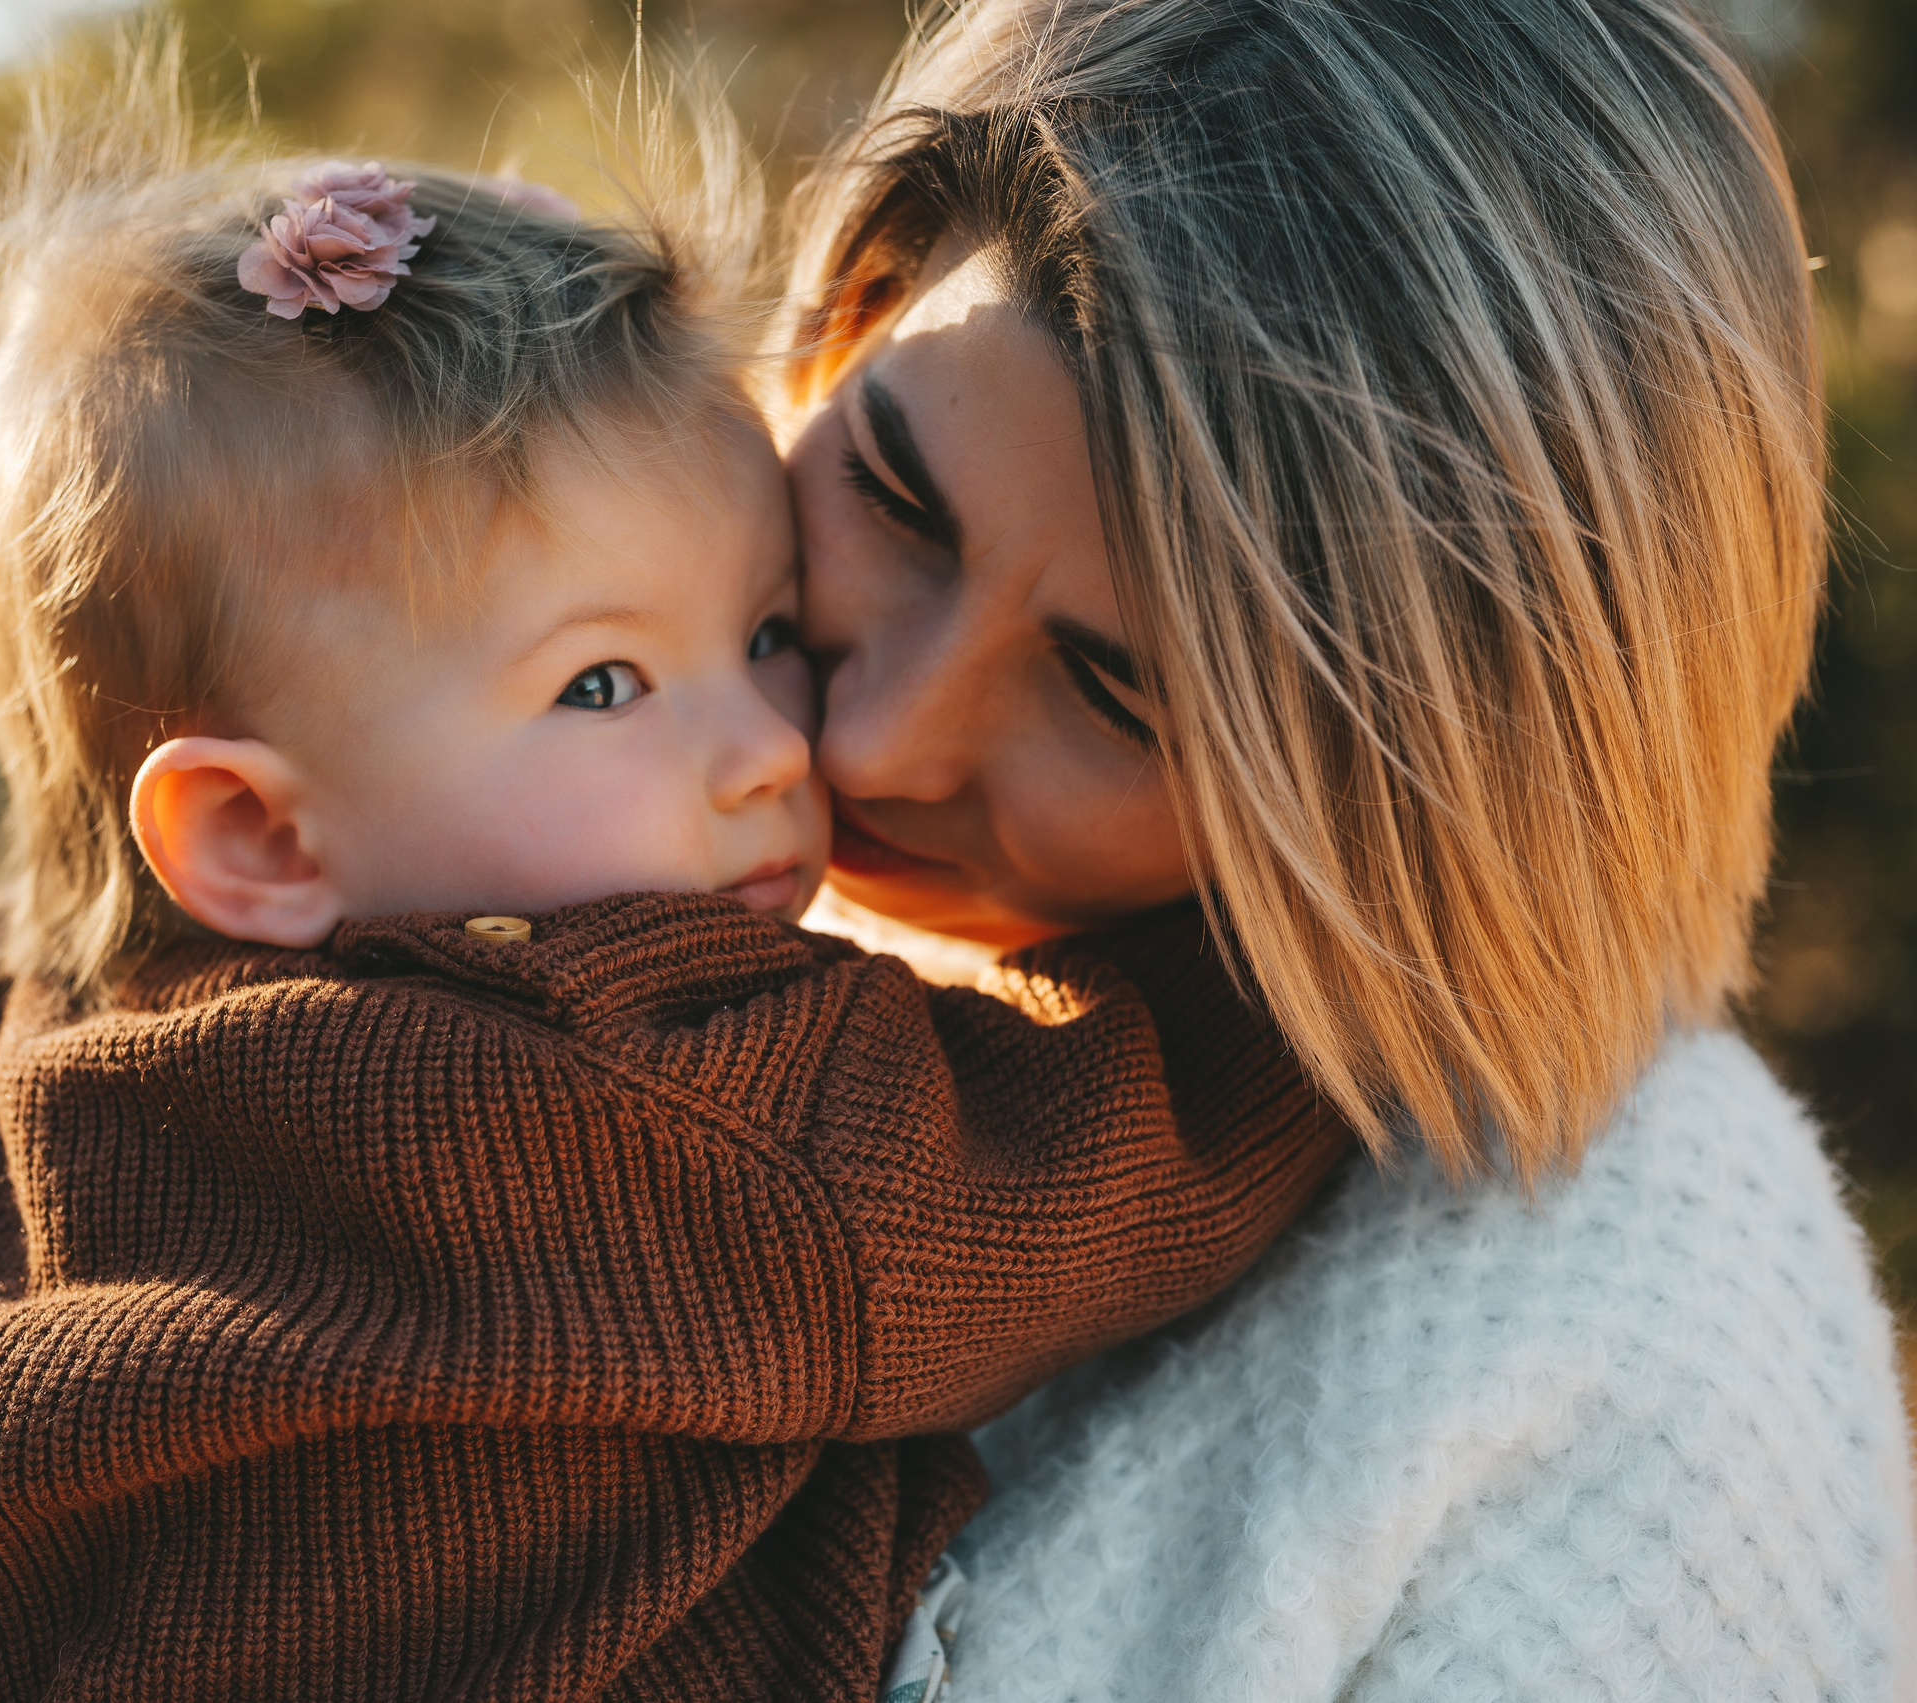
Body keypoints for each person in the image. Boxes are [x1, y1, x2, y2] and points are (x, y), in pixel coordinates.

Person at [0, 51, 1346, 1703]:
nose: (781, 748)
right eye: (603, 684)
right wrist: (1330, 914)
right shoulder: (668, 1087)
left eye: (764, 630)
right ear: (256, 835)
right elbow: (1135, 1145)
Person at [774, 0, 1915, 1694]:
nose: (879, 741)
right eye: (890, 494)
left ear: (1453, 791)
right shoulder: (551, 887)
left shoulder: (1626, 1373)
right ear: (849, 316)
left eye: (1118, 694)